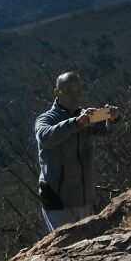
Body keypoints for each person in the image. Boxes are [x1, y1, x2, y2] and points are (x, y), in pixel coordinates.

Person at [34, 71, 120, 234]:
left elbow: (106, 130)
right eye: (70, 91)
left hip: (82, 197)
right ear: (57, 93)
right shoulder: (46, 118)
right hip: (55, 198)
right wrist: (76, 123)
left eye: (78, 91)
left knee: (86, 243)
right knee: (65, 245)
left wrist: (112, 118)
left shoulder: (87, 115)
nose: (75, 96)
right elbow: (45, 136)